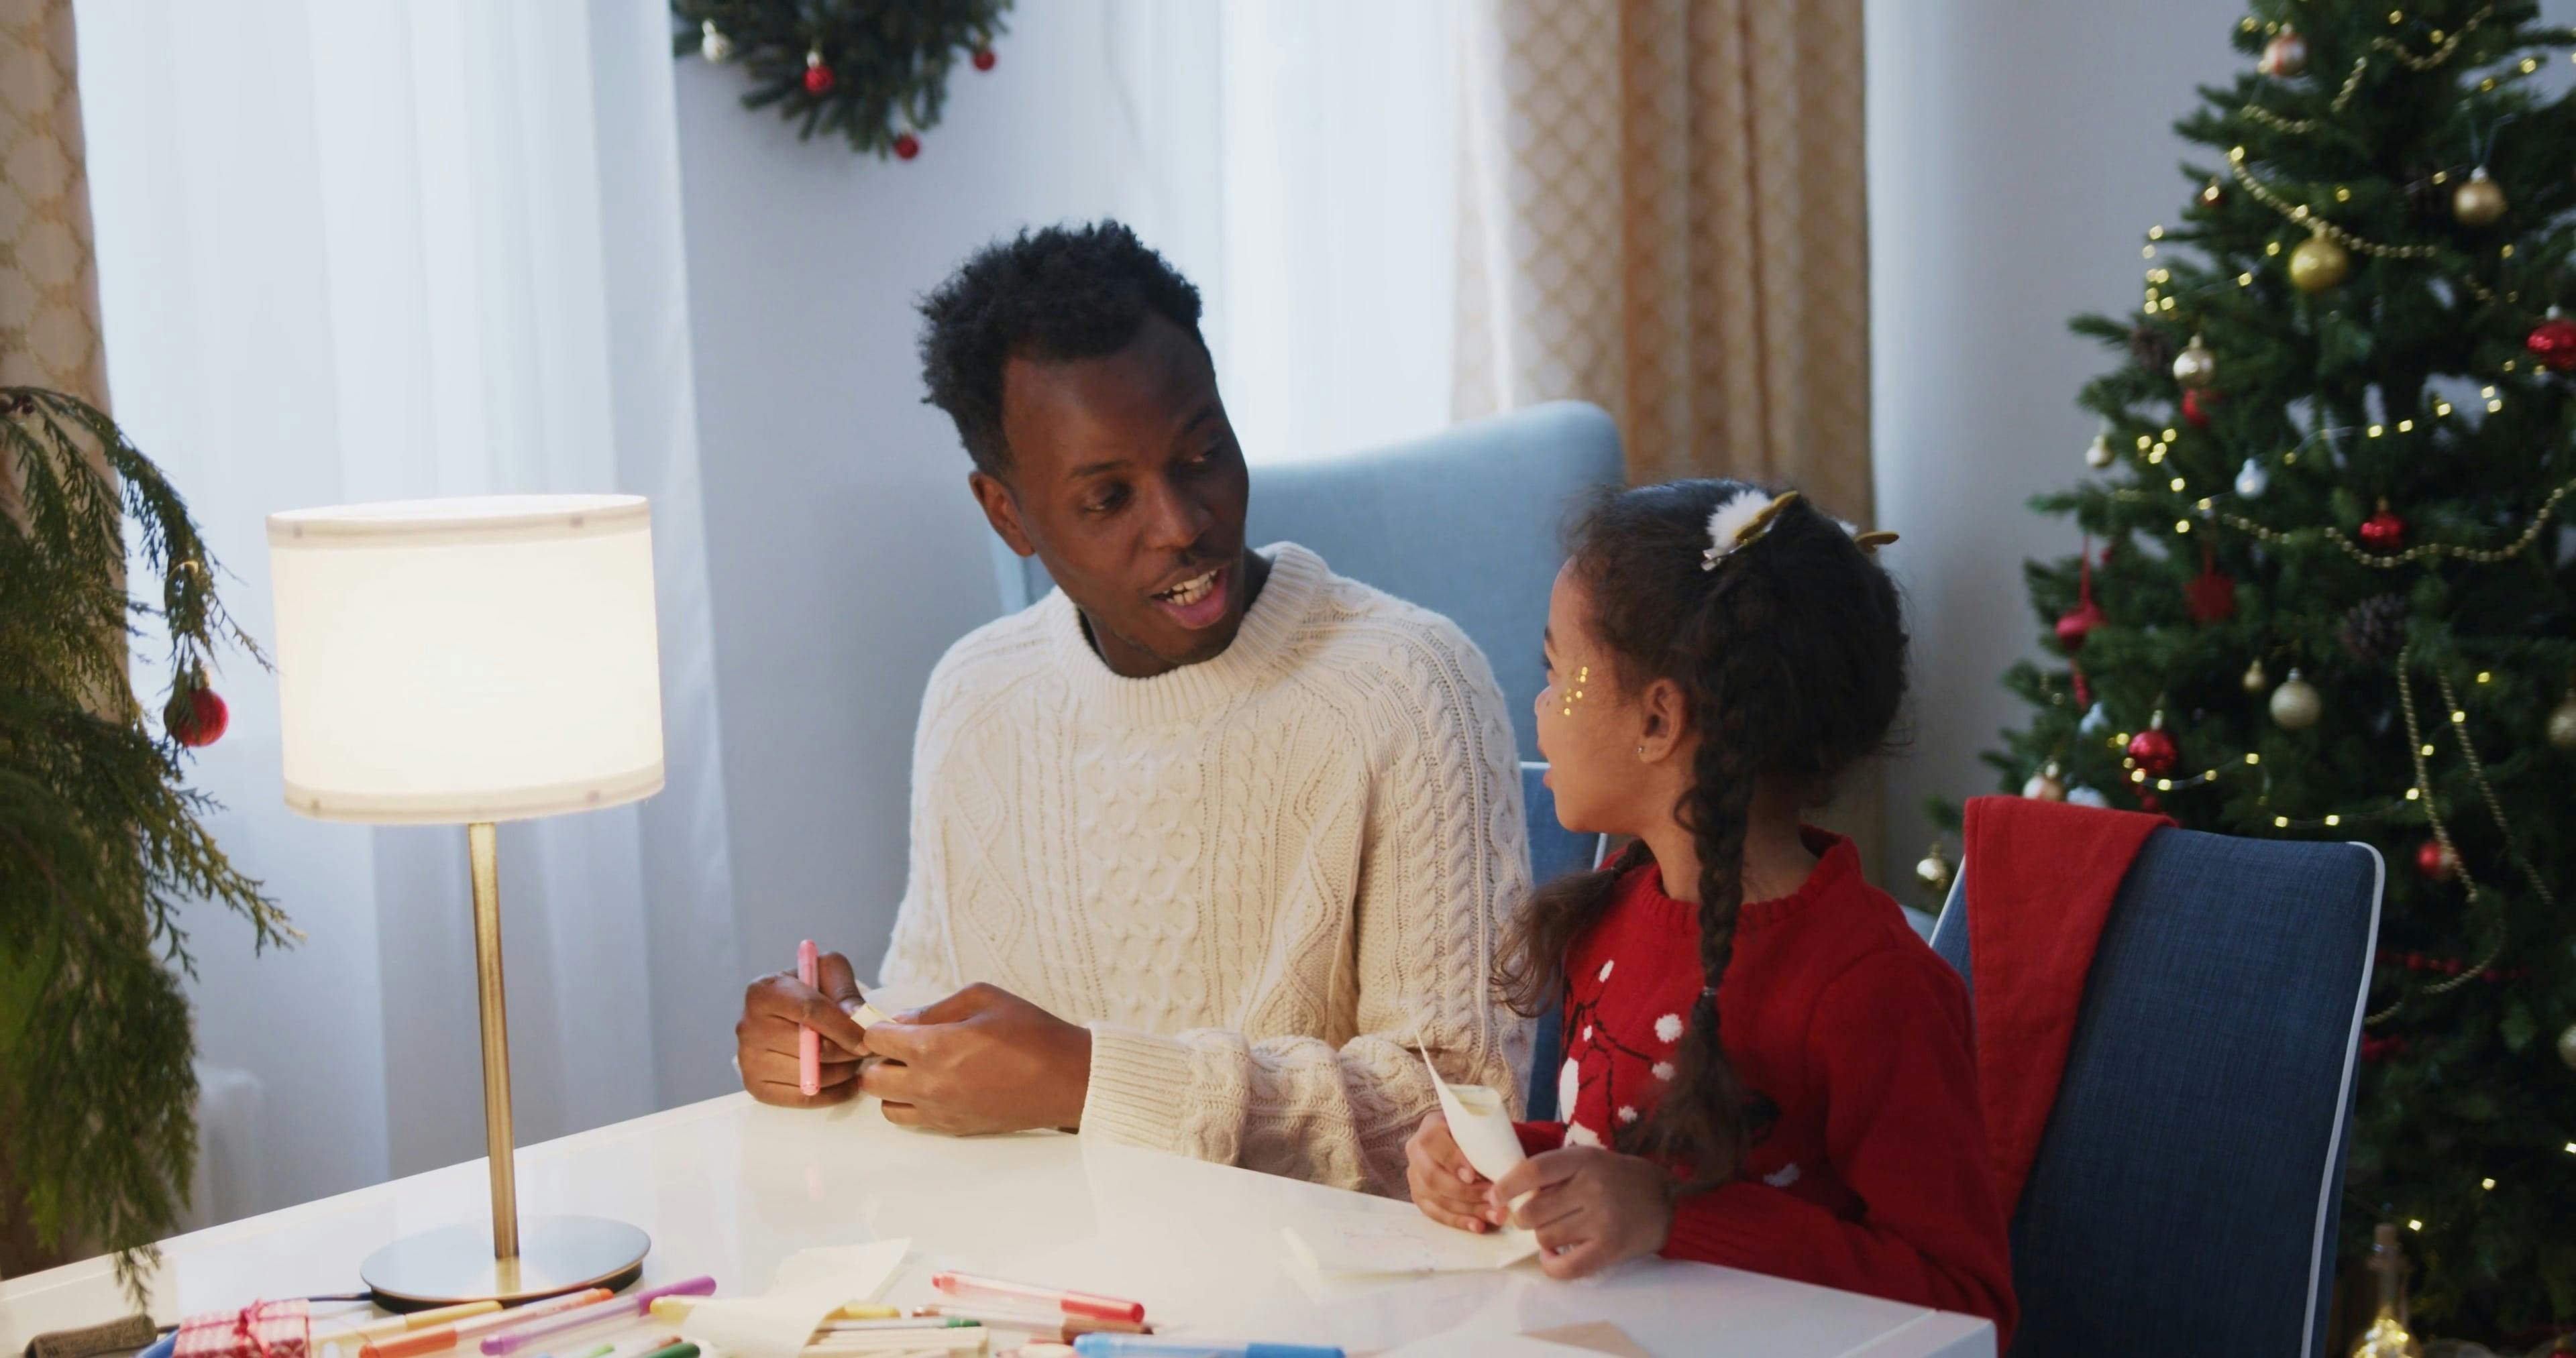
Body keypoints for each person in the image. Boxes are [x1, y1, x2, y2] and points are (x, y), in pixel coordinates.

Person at [731, 220, 1530, 1196]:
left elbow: (1463, 1106)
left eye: (1202, 455)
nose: (1184, 525)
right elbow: (943, 1013)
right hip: (1034, 1286)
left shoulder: (1412, 688)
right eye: (1109, 498)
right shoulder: (977, 695)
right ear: (1007, 514)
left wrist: (1089, 1078)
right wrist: (846, 1043)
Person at [1403, 481, 2016, 1343]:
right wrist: (1513, 1164)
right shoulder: (1617, 907)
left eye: (1558, 674)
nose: (1540, 704)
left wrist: (1670, 1216)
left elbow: (1965, 1302)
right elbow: (1637, 1153)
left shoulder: (1872, 989)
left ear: (1659, 719)